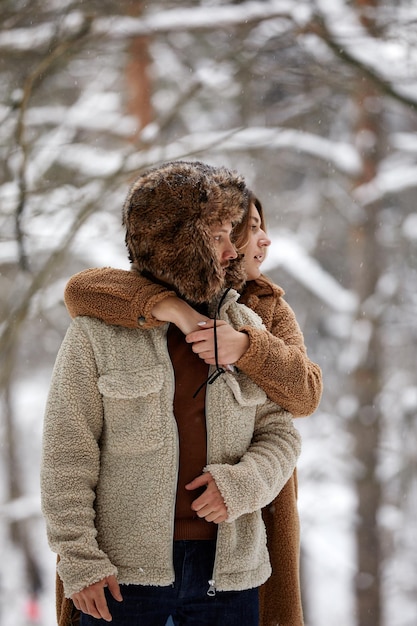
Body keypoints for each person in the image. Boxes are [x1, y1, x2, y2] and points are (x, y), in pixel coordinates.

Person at [41, 160, 302, 626]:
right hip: (122, 578)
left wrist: (242, 485)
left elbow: (283, 433)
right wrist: (80, 561)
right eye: (218, 236)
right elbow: (67, 455)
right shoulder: (97, 334)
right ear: (181, 242)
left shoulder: (249, 324)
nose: (233, 249)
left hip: (230, 576)